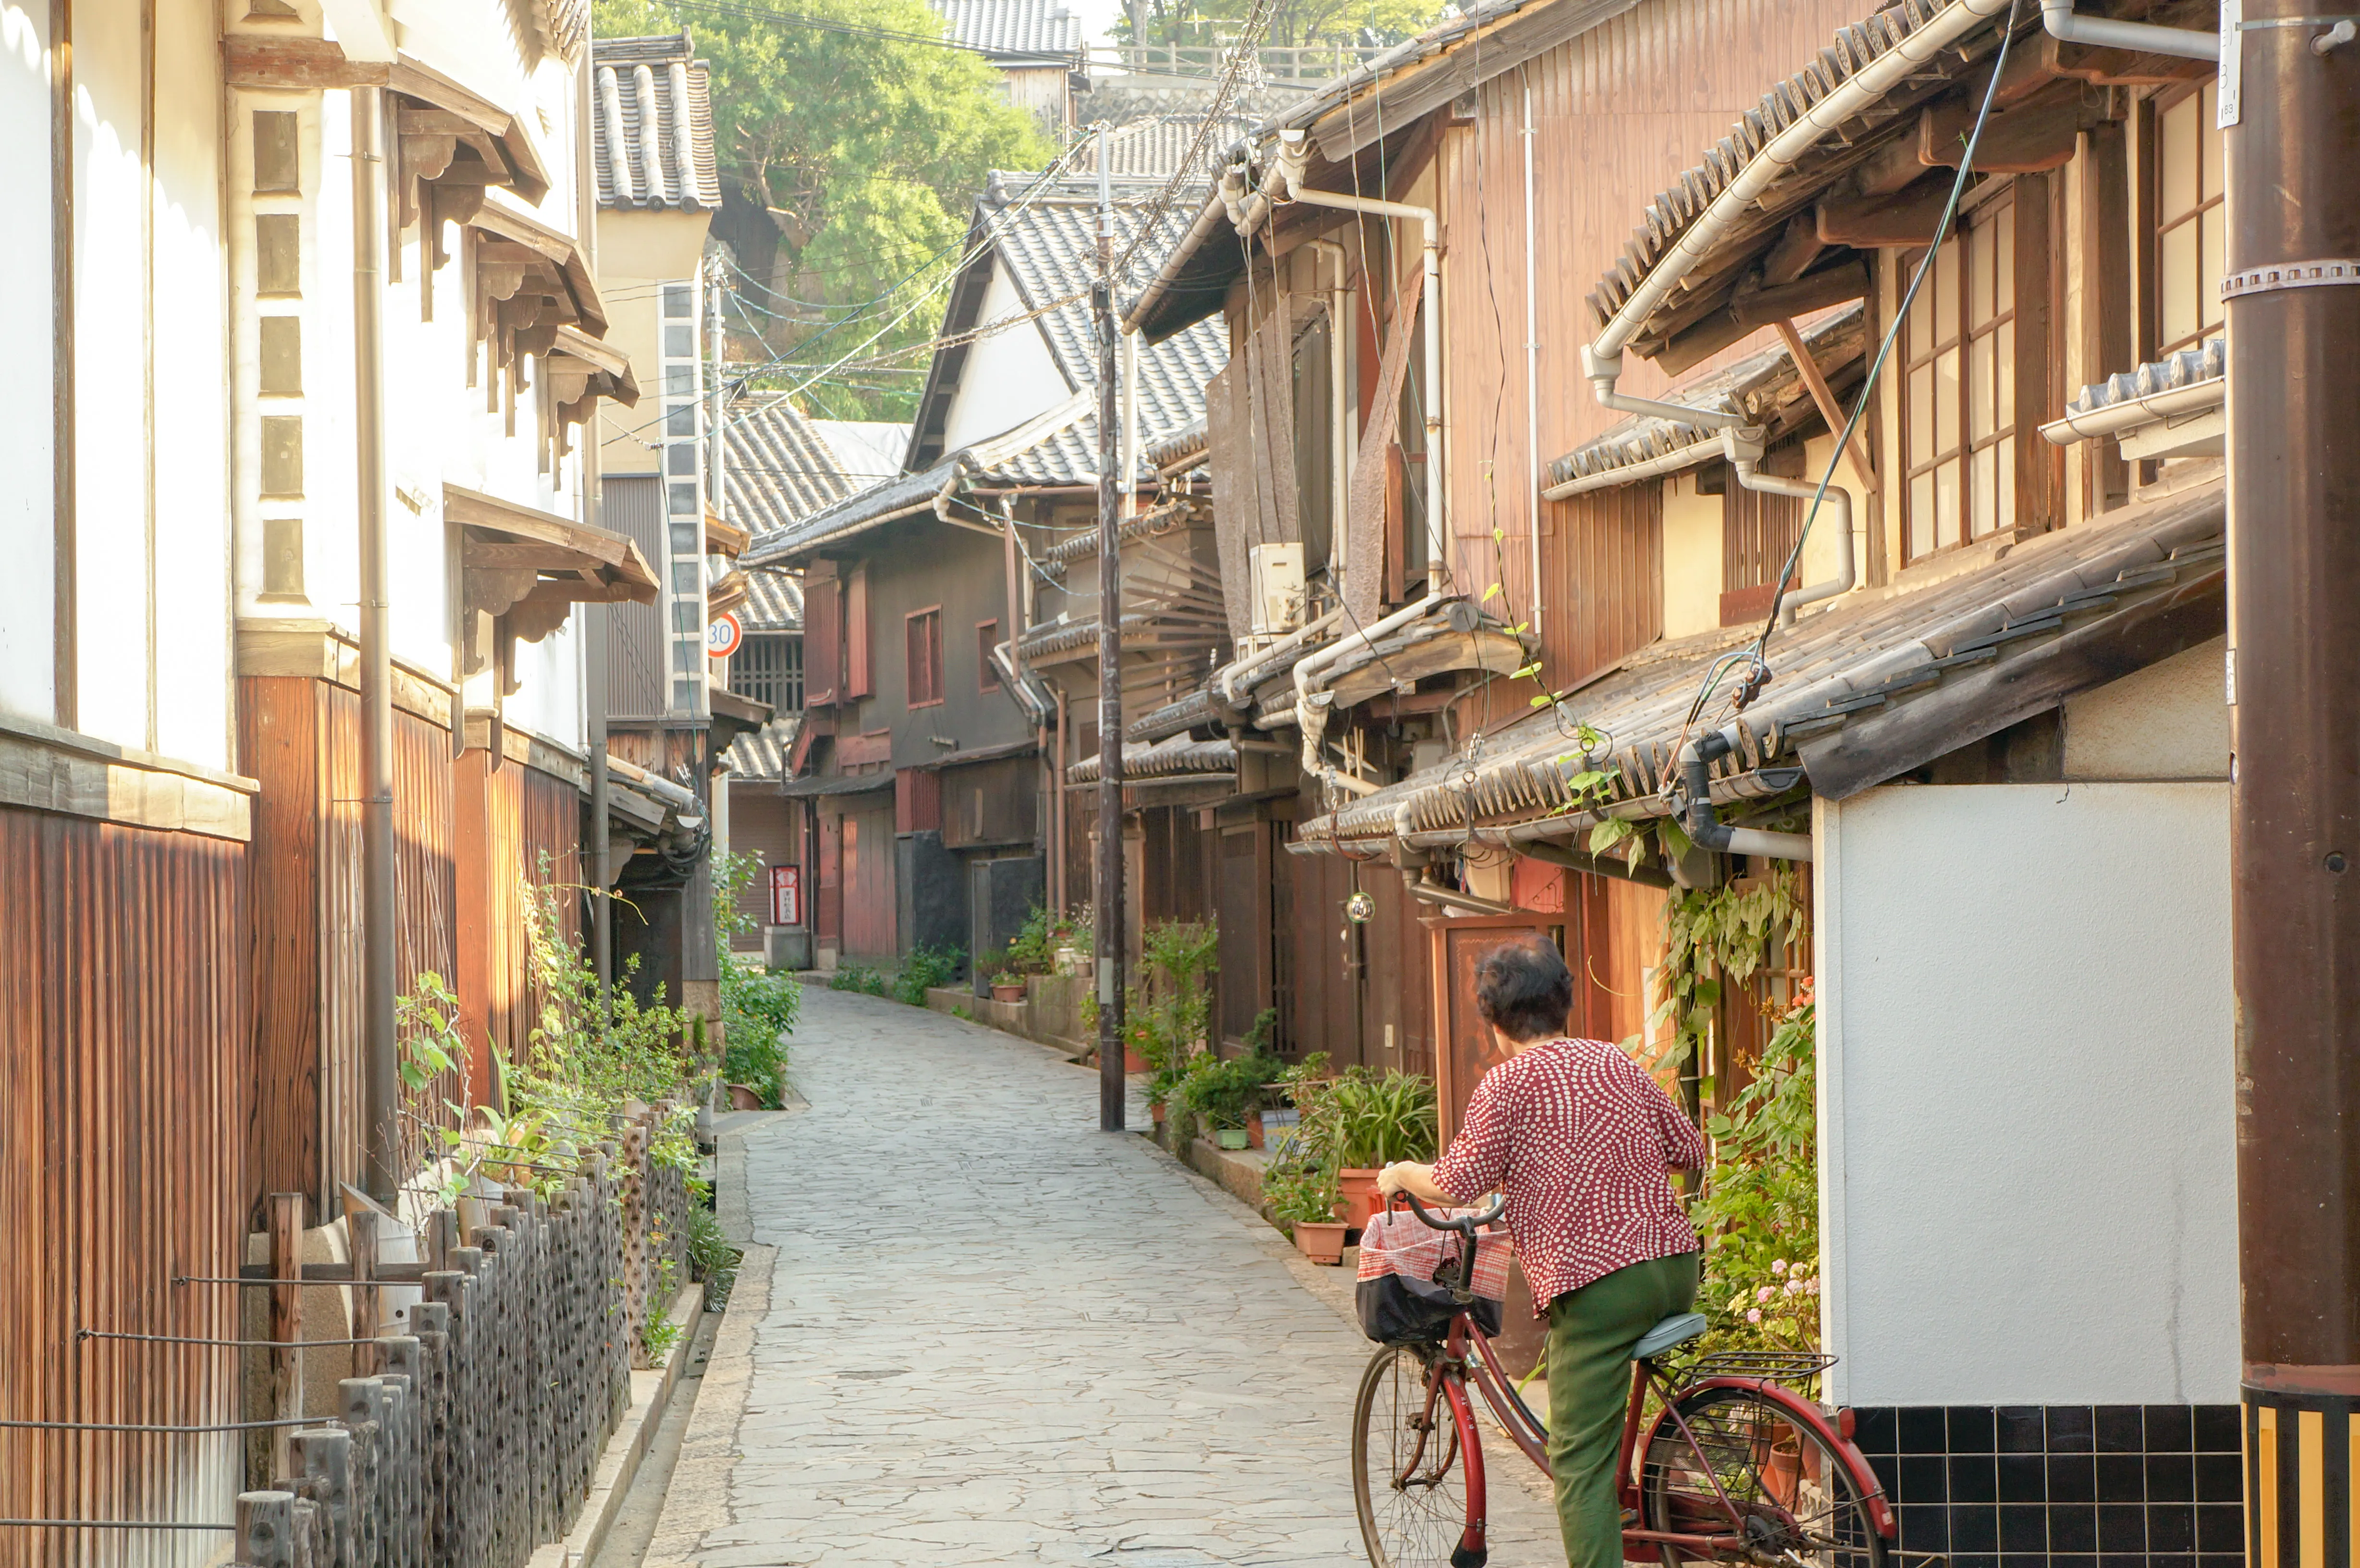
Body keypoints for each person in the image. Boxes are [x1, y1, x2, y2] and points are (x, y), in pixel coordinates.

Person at [1377, 935, 1706, 1568]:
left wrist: (1400, 1175)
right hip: (1675, 1265)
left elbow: (1454, 1183)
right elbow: (1688, 1150)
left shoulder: (1508, 1083)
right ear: (1565, 1004)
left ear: (1496, 1021)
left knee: (1577, 1462)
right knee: (1604, 1429)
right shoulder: (1615, 1062)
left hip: (1604, 1285)